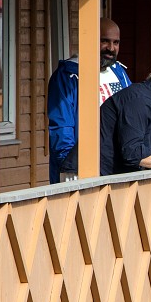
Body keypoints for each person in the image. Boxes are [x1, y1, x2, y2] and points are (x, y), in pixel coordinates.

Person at [47, 18, 130, 183]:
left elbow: (133, 115)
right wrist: (69, 165)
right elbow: (61, 126)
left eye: (116, 42)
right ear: (89, 39)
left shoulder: (119, 72)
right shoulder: (68, 76)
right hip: (81, 170)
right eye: (104, 41)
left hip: (117, 165)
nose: (111, 48)